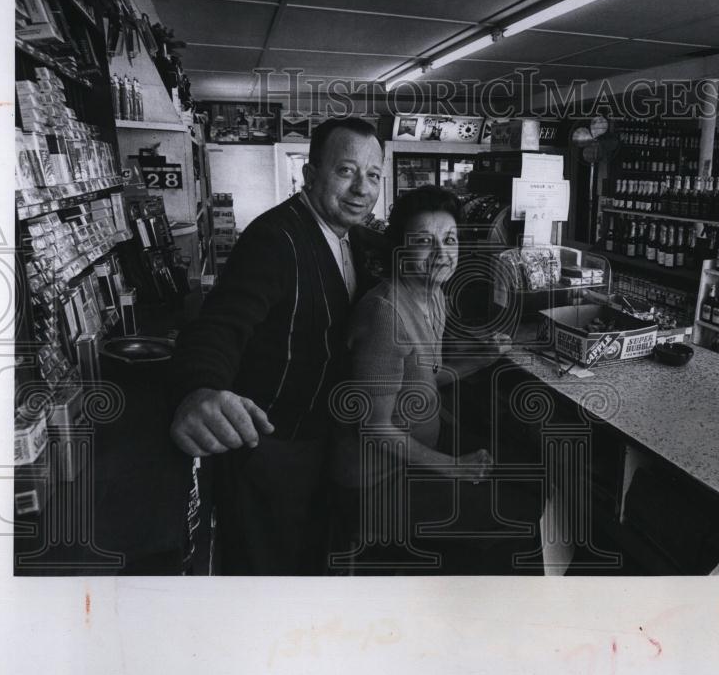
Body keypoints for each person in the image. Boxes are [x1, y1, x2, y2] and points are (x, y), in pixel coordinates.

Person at [168, 117, 384, 575]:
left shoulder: (356, 239)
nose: (362, 188)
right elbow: (221, 325)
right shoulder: (274, 238)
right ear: (309, 175)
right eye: (346, 171)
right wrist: (200, 389)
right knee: (266, 570)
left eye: (374, 175)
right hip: (268, 449)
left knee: (308, 560)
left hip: (319, 441)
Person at [330, 185, 542, 575]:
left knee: (530, 478)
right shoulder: (384, 314)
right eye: (425, 242)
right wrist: (452, 467)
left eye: (449, 239)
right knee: (519, 518)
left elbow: (424, 378)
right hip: (379, 483)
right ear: (400, 249)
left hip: (416, 455)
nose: (442, 253)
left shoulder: (433, 295)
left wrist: (482, 358)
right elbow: (374, 428)